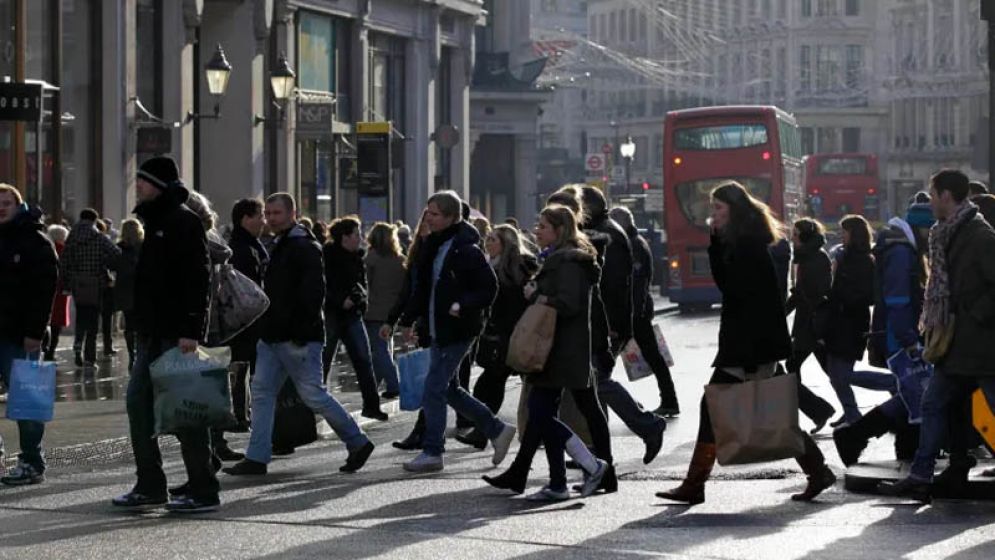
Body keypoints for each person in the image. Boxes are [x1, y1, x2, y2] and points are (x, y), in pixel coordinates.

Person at [656, 181, 836, 505]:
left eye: (718, 209)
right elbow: (734, 290)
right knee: (773, 412)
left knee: (719, 407)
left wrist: (713, 245)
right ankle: (817, 470)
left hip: (750, 346)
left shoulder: (748, 247)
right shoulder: (744, 243)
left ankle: (695, 484)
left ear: (734, 211)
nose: (713, 215)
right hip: (752, 344)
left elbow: (740, 294)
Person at [224, 193, 375, 477]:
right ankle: (257, 457)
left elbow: (313, 293)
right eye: (267, 213)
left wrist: (300, 332)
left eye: (277, 213)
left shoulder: (303, 245)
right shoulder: (280, 243)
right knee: (262, 392)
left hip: (296, 337)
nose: (270, 218)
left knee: (313, 395)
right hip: (273, 336)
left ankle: (357, 442)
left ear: (292, 213)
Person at [880, 169, 995, 503]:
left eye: (932, 195)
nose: (930, 202)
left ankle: (933, 472)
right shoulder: (945, 232)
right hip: (955, 343)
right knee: (935, 404)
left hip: (982, 345)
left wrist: (974, 311)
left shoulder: (979, 235)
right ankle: (924, 474)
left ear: (947, 196)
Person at [111, 156, 218, 513]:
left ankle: (203, 489)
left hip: (175, 335)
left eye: (142, 181)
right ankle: (150, 484)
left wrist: (191, 331)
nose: (137, 186)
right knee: (137, 405)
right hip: (151, 333)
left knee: (185, 411)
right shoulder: (153, 221)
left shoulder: (182, 222)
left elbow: (198, 279)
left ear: (157, 184)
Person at [483, 205, 610, 501]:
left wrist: (537, 295)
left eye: (542, 226)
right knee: (542, 413)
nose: (536, 230)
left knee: (541, 415)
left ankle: (593, 467)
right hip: (551, 347)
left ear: (560, 230)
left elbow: (570, 303)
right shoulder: (558, 259)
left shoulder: (568, 263)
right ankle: (557, 483)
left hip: (559, 349)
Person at [396, 191, 516, 472]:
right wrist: (406, 320)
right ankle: (497, 430)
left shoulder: (466, 249)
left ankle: (433, 450)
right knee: (449, 390)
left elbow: (488, 288)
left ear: (451, 217)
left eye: (436, 214)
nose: (429, 218)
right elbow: (422, 289)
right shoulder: (432, 246)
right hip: (437, 328)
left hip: (458, 329)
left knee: (434, 389)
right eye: (428, 212)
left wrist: (462, 304)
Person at [553, 186, 666, 464]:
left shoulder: (605, 236)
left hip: (606, 324)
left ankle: (648, 425)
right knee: (591, 387)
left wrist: (614, 326)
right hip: (602, 323)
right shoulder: (602, 232)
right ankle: (597, 449)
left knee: (595, 382)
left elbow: (611, 287)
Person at [833, 195, 934, 467]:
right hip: (901, 336)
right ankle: (858, 436)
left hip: (900, 334)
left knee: (910, 394)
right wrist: (910, 341)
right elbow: (898, 299)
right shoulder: (902, 252)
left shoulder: (903, 248)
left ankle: (885, 443)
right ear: (924, 228)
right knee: (914, 394)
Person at [458, 224, 539, 449]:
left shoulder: (518, 268)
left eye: (493, 239)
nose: (488, 242)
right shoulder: (490, 265)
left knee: (493, 383)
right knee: (491, 383)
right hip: (498, 334)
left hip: (513, 335)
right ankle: (484, 431)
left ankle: (488, 431)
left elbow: (515, 304)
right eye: (488, 238)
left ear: (506, 244)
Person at [0, 184, 58, 485]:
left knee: (26, 398)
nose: (1, 207)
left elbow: (44, 289)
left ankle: (31, 461)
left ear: (18, 205)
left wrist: (35, 330)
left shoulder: (34, 241)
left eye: (6, 202)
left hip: (20, 333)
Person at [609, 205, 680, 417]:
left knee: (606, 363)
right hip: (634, 310)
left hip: (634, 312)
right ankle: (668, 400)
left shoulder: (634, 246)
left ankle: (666, 401)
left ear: (622, 223)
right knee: (651, 356)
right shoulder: (632, 243)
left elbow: (637, 283)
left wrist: (633, 313)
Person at [322, 215, 387, 421]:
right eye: (357, 234)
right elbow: (324, 286)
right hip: (333, 315)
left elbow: (362, 283)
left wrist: (361, 300)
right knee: (323, 362)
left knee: (364, 361)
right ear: (345, 237)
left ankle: (372, 406)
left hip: (353, 316)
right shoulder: (328, 256)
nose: (361, 238)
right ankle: (315, 406)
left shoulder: (358, 257)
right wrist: (340, 300)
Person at [821, 215, 876, 427]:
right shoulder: (843, 256)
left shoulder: (863, 259)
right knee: (835, 373)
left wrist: (843, 299)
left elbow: (868, 294)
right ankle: (851, 412)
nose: (841, 235)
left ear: (855, 234)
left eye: (845, 231)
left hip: (851, 322)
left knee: (841, 374)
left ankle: (891, 383)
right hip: (838, 321)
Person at [783, 218, 836, 434]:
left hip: (814, 327)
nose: (792, 239)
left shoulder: (816, 259)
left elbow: (818, 294)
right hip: (808, 326)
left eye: (795, 235)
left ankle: (823, 411)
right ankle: (820, 411)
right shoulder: (804, 258)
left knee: (834, 372)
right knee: (830, 370)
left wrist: (820, 328)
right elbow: (798, 294)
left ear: (804, 237)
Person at [388, 211, 433, 451]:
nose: (428, 224)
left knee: (443, 385)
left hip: (440, 323)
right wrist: (395, 320)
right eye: (425, 220)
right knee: (437, 384)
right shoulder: (418, 252)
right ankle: (426, 433)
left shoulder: (439, 249)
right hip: (425, 321)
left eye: (433, 218)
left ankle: (489, 427)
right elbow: (409, 290)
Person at [60, 208, 121, 368]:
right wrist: (104, 263)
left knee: (81, 315)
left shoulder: (71, 237)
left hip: (77, 283)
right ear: (95, 220)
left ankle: (77, 344)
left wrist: (66, 282)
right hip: (96, 283)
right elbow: (116, 253)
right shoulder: (99, 237)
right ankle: (89, 358)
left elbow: (64, 261)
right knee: (93, 321)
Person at [227, 198, 268, 432]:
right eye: (260, 215)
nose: (264, 221)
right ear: (246, 219)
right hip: (246, 320)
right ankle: (241, 413)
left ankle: (244, 412)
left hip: (250, 320)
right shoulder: (243, 249)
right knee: (243, 365)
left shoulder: (252, 245)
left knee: (246, 365)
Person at [364, 222, 405, 399]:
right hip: (392, 310)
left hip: (373, 310)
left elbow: (366, 285)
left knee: (379, 349)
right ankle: (376, 382)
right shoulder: (400, 259)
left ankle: (393, 383)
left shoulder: (371, 259)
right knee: (384, 347)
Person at [114, 219, 144, 371]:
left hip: (125, 290)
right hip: (141, 290)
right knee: (141, 324)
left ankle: (132, 354)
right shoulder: (143, 247)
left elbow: (112, 265)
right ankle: (139, 353)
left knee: (129, 324)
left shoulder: (119, 248)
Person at [45, 225, 71, 362]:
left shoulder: (45, 248)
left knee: (45, 320)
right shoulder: (64, 251)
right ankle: (51, 351)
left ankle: (45, 348)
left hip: (47, 290)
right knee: (56, 324)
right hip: (61, 291)